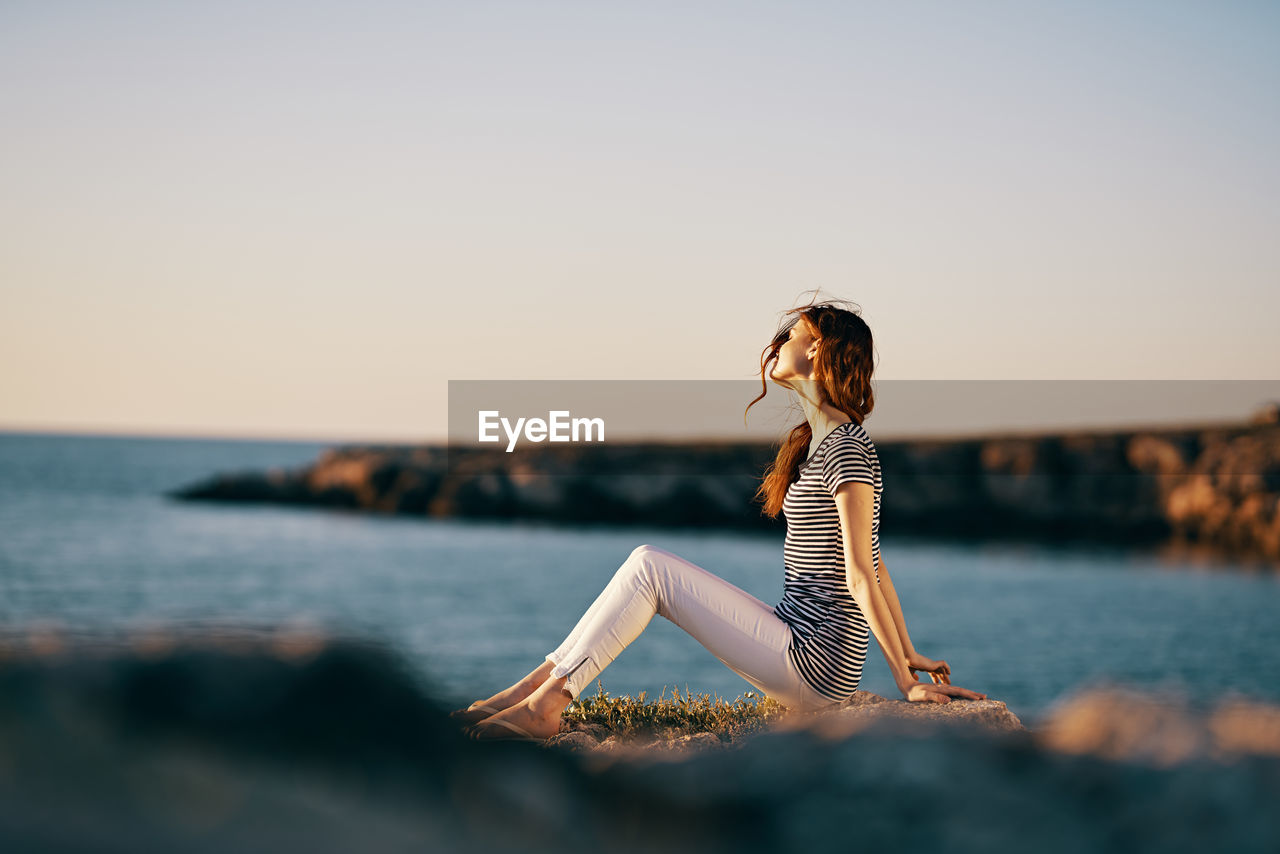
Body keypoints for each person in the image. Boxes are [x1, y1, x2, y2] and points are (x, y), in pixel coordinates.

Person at [454, 298, 986, 740]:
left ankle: (546, 705)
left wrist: (901, 677)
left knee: (649, 568)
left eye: (790, 334)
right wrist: (910, 651)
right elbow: (874, 560)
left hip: (815, 662)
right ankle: (529, 692)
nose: (776, 345)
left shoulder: (845, 448)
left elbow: (861, 571)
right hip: (801, 638)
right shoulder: (821, 444)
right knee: (647, 567)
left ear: (818, 348)